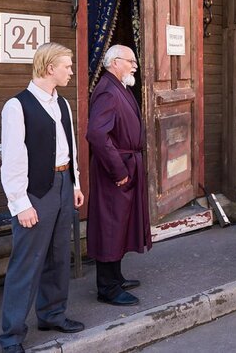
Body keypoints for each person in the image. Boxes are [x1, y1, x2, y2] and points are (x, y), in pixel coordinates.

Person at [0, 43, 85, 353]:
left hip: (63, 184)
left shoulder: (63, 103)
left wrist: (74, 184)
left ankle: (52, 315)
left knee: (59, 256)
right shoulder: (17, 106)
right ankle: (11, 336)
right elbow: (12, 159)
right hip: (35, 191)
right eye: (67, 66)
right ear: (50, 68)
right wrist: (20, 203)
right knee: (26, 263)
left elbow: (69, 148)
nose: (71, 71)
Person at [87, 44, 150, 306]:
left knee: (121, 222)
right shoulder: (107, 91)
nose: (135, 65)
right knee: (111, 225)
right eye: (130, 61)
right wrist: (119, 170)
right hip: (114, 170)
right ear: (114, 62)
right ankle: (107, 288)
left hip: (126, 164)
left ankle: (115, 277)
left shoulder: (119, 87)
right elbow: (97, 135)